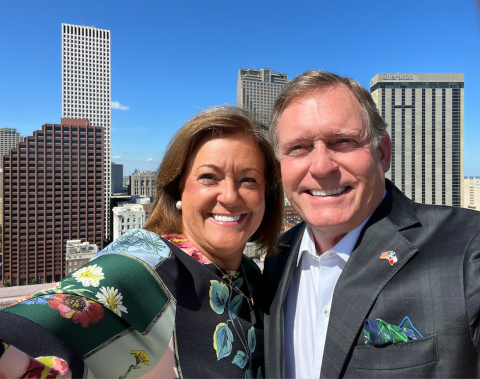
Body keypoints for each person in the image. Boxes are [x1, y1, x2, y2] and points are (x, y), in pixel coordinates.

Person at [0, 106, 284, 378]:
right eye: (209, 177)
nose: (230, 196)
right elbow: (37, 323)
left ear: (267, 196)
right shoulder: (144, 262)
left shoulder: (251, 275)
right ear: (178, 190)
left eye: (249, 180)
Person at [263, 70, 480, 378]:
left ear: (382, 153)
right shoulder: (277, 258)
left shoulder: (466, 250)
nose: (322, 166)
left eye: (343, 141)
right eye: (298, 147)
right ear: (280, 168)